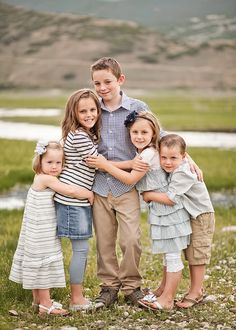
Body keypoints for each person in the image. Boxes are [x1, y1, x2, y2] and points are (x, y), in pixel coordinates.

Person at [86, 111, 192, 311]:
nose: (139, 136)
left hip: (167, 208)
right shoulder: (145, 152)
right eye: (135, 132)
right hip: (160, 210)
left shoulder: (149, 153)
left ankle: (165, 298)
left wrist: (104, 165)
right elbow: (131, 165)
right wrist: (103, 165)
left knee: (169, 254)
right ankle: (160, 293)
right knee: (167, 254)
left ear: (154, 134)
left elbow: (130, 179)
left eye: (144, 132)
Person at [9, 140, 94, 316]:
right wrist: (88, 193)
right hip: (42, 231)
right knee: (43, 261)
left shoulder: (42, 177)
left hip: (36, 229)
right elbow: (69, 191)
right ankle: (46, 304)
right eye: (49, 162)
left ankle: (37, 301)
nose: (55, 166)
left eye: (58, 163)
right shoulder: (46, 178)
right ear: (40, 162)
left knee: (37, 259)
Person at [141, 134, 215, 309]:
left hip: (200, 214)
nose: (167, 162)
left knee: (196, 254)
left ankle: (196, 292)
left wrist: (148, 195)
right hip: (188, 213)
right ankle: (163, 288)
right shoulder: (173, 169)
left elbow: (171, 198)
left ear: (184, 156)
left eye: (173, 158)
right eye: (163, 158)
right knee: (186, 251)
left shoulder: (184, 171)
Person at [54, 89, 101, 312]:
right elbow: (99, 162)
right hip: (73, 201)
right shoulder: (80, 136)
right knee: (80, 250)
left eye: (93, 109)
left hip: (76, 201)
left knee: (80, 249)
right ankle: (76, 298)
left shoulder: (82, 134)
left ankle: (75, 295)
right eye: (83, 111)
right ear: (74, 113)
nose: (89, 114)